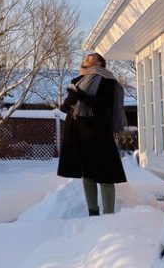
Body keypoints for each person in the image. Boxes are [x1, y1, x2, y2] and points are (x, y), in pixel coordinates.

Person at [57, 52, 127, 216]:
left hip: (98, 130)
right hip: (77, 130)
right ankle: (92, 213)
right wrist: (68, 102)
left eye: (93, 56)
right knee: (86, 172)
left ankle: (109, 215)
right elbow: (68, 108)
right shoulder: (77, 80)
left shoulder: (107, 80)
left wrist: (81, 96)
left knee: (105, 173)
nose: (87, 56)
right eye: (86, 56)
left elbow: (105, 105)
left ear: (100, 63)